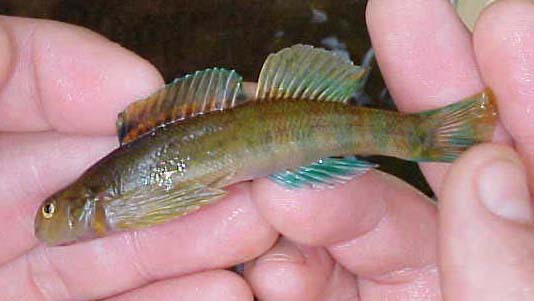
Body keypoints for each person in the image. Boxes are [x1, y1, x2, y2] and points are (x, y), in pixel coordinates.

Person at [0, 0, 532, 300]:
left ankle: (427, 137)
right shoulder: (110, 197)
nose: (47, 220)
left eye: (51, 210)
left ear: (82, 201)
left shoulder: (108, 193)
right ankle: (434, 139)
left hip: (282, 119)